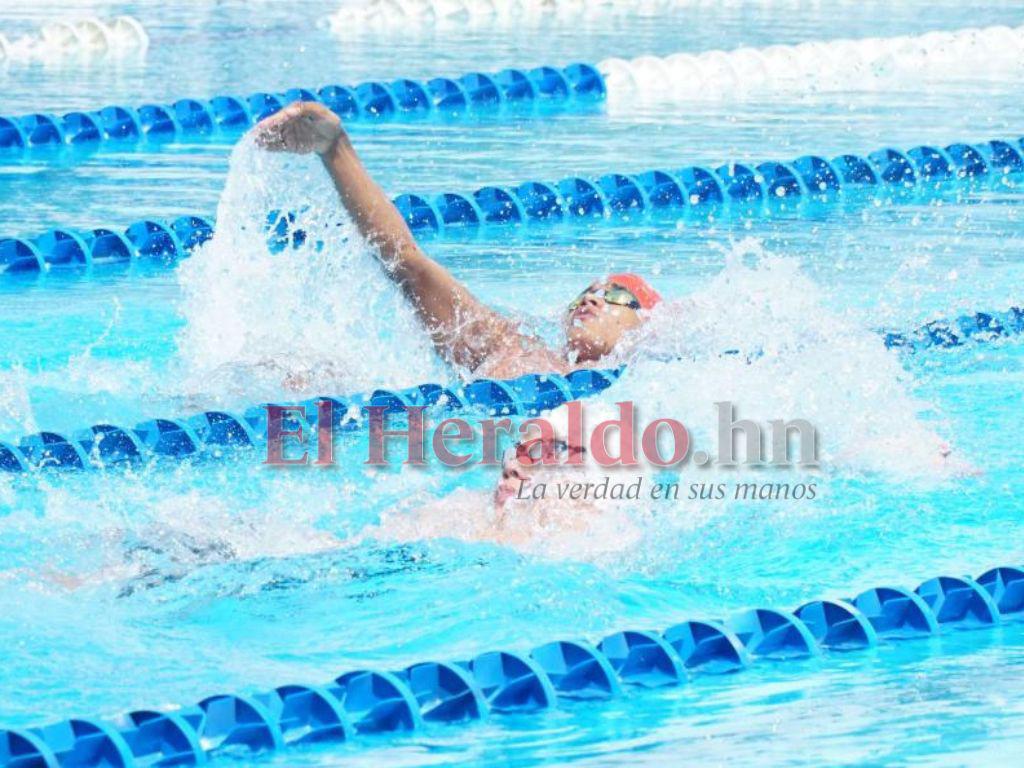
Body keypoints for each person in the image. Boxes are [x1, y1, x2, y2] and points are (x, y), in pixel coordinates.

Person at [254, 101, 662, 380]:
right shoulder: (511, 349)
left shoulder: (660, 379)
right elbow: (408, 263)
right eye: (584, 295)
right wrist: (335, 150)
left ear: (644, 324)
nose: (591, 300)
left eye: (616, 296)